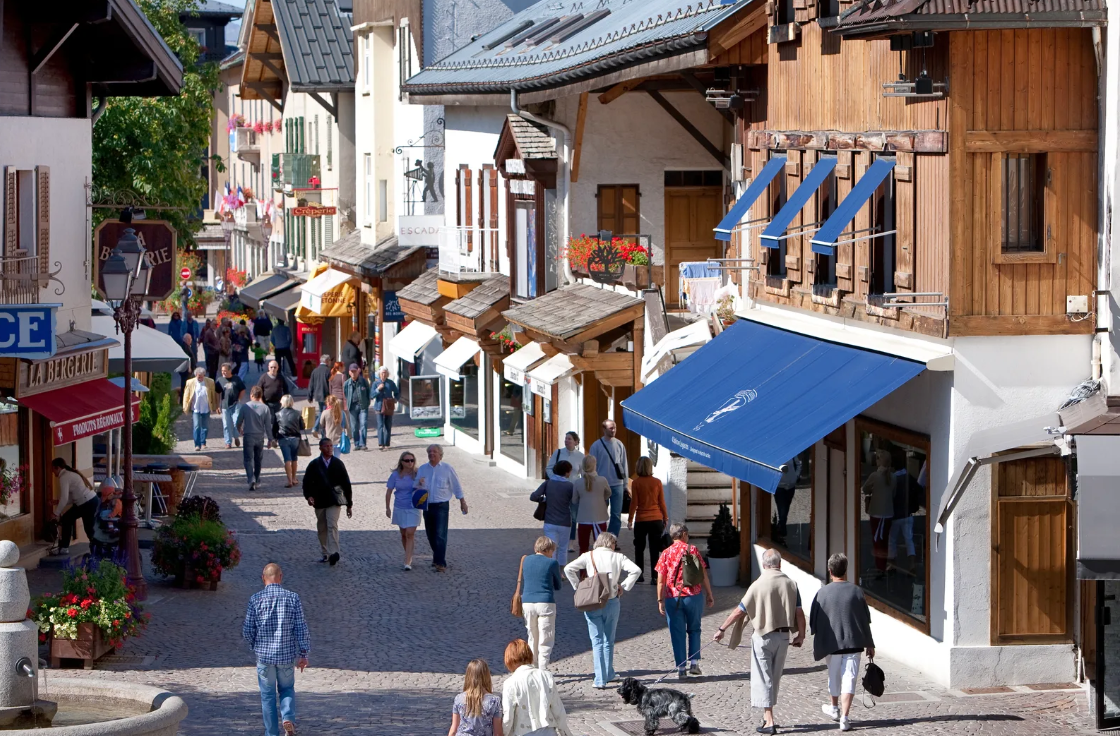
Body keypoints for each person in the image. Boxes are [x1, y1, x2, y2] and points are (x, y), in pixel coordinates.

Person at [713, 549, 805, 734]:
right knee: (774, 676)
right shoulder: (791, 584)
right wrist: (801, 635)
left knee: (764, 677)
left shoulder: (758, 584)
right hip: (783, 636)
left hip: (763, 636)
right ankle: (766, 717)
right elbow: (799, 613)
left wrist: (722, 629)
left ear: (764, 565)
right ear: (780, 564)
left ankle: (769, 721)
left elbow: (740, 610)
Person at [563, 532, 641, 689]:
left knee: (596, 640)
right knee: (609, 640)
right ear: (611, 543)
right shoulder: (618, 557)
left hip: (593, 602)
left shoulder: (589, 555)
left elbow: (568, 569)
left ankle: (600, 678)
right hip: (612, 601)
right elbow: (636, 571)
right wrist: (623, 586)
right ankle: (609, 672)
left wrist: (578, 587)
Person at [242, 563, 309, 736]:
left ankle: (271, 733)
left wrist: (255, 646)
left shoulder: (255, 599)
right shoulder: (292, 598)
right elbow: (301, 628)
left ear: (263, 578)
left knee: (268, 696)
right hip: (285, 656)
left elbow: (248, 630)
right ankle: (287, 717)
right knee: (287, 689)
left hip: (264, 657)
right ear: (280, 577)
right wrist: (303, 654)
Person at [811, 553, 875, 732]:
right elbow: (865, 620)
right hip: (854, 643)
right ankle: (845, 718)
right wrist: (870, 644)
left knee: (834, 676)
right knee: (850, 679)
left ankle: (834, 708)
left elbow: (814, 623)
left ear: (830, 571)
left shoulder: (822, 593)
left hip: (832, 644)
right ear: (845, 570)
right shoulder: (856, 591)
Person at [655, 523, 715, 679]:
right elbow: (703, 574)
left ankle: (681, 668)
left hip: (672, 597)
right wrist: (709, 593)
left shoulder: (666, 553)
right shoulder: (692, 549)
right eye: (687, 534)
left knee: (677, 633)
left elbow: (660, 581)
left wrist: (660, 600)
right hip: (692, 596)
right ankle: (694, 663)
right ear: (683, 534)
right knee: (694, 629)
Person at [501, 639, 572, 736]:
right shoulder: (546, 676)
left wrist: (503, 734)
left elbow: (508, 717)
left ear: (509, 659)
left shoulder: (510, 683)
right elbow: (558, 710)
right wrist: (566, 734)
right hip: (548, 732)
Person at [302, 438, 353, 566]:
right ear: (320, 448)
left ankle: (334, 552)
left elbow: (346, 484)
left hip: (334, 500)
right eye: (326, 446)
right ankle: (325, 553)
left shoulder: (338, 464)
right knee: (322, 527)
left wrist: (349, 504)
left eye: (331, 446)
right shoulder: (314, 465)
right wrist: (308, 496)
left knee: (332, 525)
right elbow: (306, 483)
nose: (330, 448)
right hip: (319, 501)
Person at [416, 444, 467, 572]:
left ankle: (440, 562)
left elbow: (456, 486)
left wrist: (462, 501)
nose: (431, 454)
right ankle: (436, 557)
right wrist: (418, 483)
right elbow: (414, 485)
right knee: (430, 534)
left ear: (440, 454)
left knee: (440, 534)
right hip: (427, 505)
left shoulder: (447, 468)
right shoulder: (422, 469)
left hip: (441, 505)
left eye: (434, 452)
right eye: (429, 452)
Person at [520, 536, 562, 671]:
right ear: (549, 549)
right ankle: (543, 669)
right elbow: (558, 585)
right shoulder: (552, 563)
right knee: (546, 638)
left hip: (527, 602)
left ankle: (533, 665)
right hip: (545, 603)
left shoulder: (526, 560)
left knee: (532, 636)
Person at [628, 456, 668, 585]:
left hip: (641, 519)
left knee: (639, 548)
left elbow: (634, 503)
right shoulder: (657, 482)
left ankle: (639, 575)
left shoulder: (636, 483)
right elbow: (661, 502)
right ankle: (655, 577)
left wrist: (630, 519)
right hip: (656, 519)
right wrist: (665, 517)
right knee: (654, 549)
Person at [530, 460, 574, 567]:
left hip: (550, 522)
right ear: (567, 472)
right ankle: (561, 573)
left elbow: (533, 496)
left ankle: (551, 572)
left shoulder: (548, 483)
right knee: (563, 549)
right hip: (565, 522)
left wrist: (544, 500)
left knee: (551, 549)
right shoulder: (570, 486)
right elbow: (575, 501)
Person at [588, 419, 629, 536]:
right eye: (611, 428)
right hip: (601, 485)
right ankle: (600, 539)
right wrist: (592, 483)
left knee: (616, 515)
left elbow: (624, 464)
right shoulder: (596, 446)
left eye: (615, 427)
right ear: (604, 429)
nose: (614, 430)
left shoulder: (620, 445)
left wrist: (625, 484)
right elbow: (591, 466)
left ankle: (612, 539)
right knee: (600, 514)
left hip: (617, 484)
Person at [51, 459, 96, 555]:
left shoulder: (64, 477)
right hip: (89, 501)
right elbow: (73, 498)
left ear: (58, 468)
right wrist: (58, 502)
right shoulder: (69, 474)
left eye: (53, 469)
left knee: (88, 527)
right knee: (68, 519)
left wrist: (55, 513)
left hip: (86, 503)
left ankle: (96, 549)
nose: (52, 472)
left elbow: (65, 498)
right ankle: (65, 547)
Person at [546, 431, 584, 546]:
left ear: (576, 442)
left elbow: (583, 474)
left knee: (573, 515)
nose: (567, 441)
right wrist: (555, 479)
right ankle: (556, 539)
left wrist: (582, 487)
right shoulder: (558, 453)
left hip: (573, 490)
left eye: (570, 439)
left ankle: (571, 541)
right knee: (559, 513)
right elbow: (549, 468)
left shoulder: (580, 456)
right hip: (559, 489)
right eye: (566, 438)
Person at [448, 659, 503, 736]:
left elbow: (453, 729)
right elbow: (498, 733)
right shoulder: (494, 701)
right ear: (487, 676)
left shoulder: (459, 699)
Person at [861, 449, 895, 574]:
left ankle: (880, 567)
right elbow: (894, 493)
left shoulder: (875, 476)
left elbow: (865, 489)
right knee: (884, 540)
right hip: (888, 513)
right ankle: (882, 564)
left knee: (877, 542)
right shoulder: (893, 477)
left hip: (877, 513)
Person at [386, 451, 421, 570]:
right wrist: (387, 508)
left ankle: (407, 561)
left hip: (414, 507)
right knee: (403, 534)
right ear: (402, 462)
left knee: (410, 533)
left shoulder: (418, 474)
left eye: (412, 460)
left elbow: (425, 490)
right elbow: (389, 491)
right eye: (407, 460)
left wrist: (421, 484)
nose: (410, 462)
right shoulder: (395, 475)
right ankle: (409, 554)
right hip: (399, 506)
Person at [236, 386, 275, 491]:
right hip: (260, 437)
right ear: (260, 396)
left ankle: (250, 478)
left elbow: (238, 421)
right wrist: (270, 439)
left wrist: (239, 429)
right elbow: (268, 425)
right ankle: (257, 480)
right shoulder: (265, 408)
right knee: (258, 460)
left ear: (251, 395)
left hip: (248, 436)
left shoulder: (245, 407)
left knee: (248, 459)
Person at [573, 455, 611, 555]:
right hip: (600, 517)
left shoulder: (578, 482)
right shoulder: (602, 480)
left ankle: (583, 570)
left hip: (583, 518)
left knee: (583, 549)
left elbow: (574, 500)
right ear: (595, 466)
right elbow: (608, 493)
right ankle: (600, 570)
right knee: (602, 549)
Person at [181, 366, 220, 452]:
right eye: (198, 376)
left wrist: (215, 406)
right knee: (196, 426)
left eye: (201, 376)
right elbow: (186, 395)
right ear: (195, 376)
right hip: (195, 408)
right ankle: (197, 444)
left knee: (205, 427)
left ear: (204, 375)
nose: (200, 378)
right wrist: (185, 406)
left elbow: (213, 394)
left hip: (206, 407)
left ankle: (203, 442)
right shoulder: (190, 382)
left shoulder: (210, 382)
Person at [276, 395, 305, 488]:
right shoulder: (297, 413)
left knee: (287, 459)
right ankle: (294, 478)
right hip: (295, 438)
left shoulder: (278, 414)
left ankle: (289, 480)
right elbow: (302, 427)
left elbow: (275, 428)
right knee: (294, 458)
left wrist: (273, 438)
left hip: (283, 438)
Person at [773, 455, 803, 545]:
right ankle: (782, 534)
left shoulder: (792, 454)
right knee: (782, 512)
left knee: (785, 510)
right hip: (779, 488)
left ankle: (779, 530)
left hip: (790, 487)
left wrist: (795, 476)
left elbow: (799, 464)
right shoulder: (776, 455)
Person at [257, 360, 287, 448]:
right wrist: (261, 402)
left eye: (275, 367)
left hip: (278, 403)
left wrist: (285, 401)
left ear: (278, 368)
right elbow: (258, 390)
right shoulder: (264, 377)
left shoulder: (280, 377)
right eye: (271, 367)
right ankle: (270, 439)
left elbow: (286, 389)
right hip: (267, 403)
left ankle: (274, 439)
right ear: (268, 368)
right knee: (269, 421)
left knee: (277, 421)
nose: (273, 369)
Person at [217, 363, 247, 449]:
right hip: (225, 405)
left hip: (235, 404)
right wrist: (217, 405)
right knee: (226, 425)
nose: (224, 372)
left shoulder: (236, 379)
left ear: (230, 370)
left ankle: (236, 436)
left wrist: (239, 400)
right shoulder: (220, 380)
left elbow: (242, 389)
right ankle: (228, 442)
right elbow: (217, 393)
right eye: (222, 371)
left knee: (236, 422)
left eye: (225, 371)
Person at [343, 363, 371, 451]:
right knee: (354, 427)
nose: (353, 373)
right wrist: (347, 404)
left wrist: (367, 403)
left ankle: (363, 444)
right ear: (349, 372)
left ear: (358, 371)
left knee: (363, 424)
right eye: (352, 372)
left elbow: (368, 393)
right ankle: (357, 443)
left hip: (362, 405)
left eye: (355, 371)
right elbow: (345, 394)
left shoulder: (363, 381)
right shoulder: (347, 384)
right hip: (352, 406)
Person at [373, 367, 400, 451]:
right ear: (379, 374)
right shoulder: (376, 383)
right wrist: (378, 389)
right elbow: (371, 395)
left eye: (385, 373)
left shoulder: (390, 383)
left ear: (387, 374)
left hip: (388, 406)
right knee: (380, 425)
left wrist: (395, 399)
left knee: (388, 425)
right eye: (382, 373)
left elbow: (397, 392)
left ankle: (387, 443)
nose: (383, 374)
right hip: (379, 406)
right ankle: (381, 444)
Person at [307, 355, 332, 436]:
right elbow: (331, 384)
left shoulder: (315, 370)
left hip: (318, 395)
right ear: (327, 361)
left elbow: (311, 384)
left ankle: (322, 432)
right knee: (323, 413)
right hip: (326, 395)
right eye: (329, 361)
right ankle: (316, 428)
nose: (330, 362)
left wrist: (310, 396)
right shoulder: (328, 371)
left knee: (322, 412)